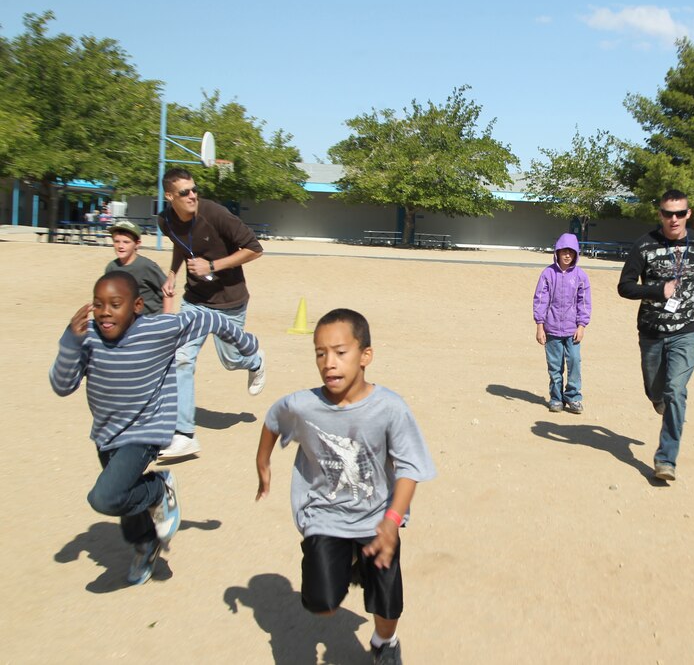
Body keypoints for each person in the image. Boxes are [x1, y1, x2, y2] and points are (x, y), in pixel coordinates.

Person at [49, 271, 260, 585]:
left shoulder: (159, 329)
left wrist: (246, 343)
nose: (105, 311)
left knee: (105, 497)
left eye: (115, 304)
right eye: (98, 304)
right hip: (107, 434)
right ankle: (146, 544)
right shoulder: (88, 336)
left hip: (146, 431)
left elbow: (209, 319)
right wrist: (70, 341)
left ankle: (159, 489)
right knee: (126, 501)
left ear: (136, 306)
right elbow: (62, 385)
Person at [256, 308, 436, 664]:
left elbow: (410, 467)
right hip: (325, 515)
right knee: (321, 604)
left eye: (340, 352)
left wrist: (392, 519)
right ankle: (348, 561)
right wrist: (263, 462)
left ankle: (385, 643)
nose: (329, 363)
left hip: (377, 520)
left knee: (387, 603)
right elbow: (274, 418)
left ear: (365, 355)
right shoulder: (305, 405)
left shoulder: (390, 408)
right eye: (320, 353)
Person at [157, 167, 267, 460]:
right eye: (184, 192)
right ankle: (184, 435)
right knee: (181, 358)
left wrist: (213, 266)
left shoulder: (215, 214)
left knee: (231, 360)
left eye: (194, 189)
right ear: (170, 197)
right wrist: (172, 273)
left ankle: (255, 359)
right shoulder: (165, 220)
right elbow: (182, 245)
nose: (192, 195)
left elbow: (255, 249)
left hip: (229, 301)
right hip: (195, 301)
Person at [617, 189, 694, 482]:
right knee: (656, 391)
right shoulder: (644, 246)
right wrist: (656, 291)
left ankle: (666, 460)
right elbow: (624, 286)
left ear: (689, 214)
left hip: (686, 330)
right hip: (651, 331)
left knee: (675, 391)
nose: (674, 219)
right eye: (668, 213)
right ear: (660, 214)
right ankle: (659, 400)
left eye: (680, 213)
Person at [533, 233, 592, 414]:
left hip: (572, 330)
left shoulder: (581, 276)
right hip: (551, 329)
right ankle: (556, 397)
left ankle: (573, 396)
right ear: (557, 253)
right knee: (555, 365)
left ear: (576, 254)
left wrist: (581, 326)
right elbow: (540, 300)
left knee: (574, 362)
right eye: (563, 251)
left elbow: (584, 303)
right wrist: (540, 326)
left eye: (571, 252)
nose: (567, 255)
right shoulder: (548, 274)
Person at [105, 220, 169, 315]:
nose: (120, 246)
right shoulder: (111, 268)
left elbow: (168, 292)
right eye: (116, 241)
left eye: (126, 242)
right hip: (126, 319)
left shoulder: (146, 266)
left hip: (150, 318)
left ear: (137, 244)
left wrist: (167, 319)